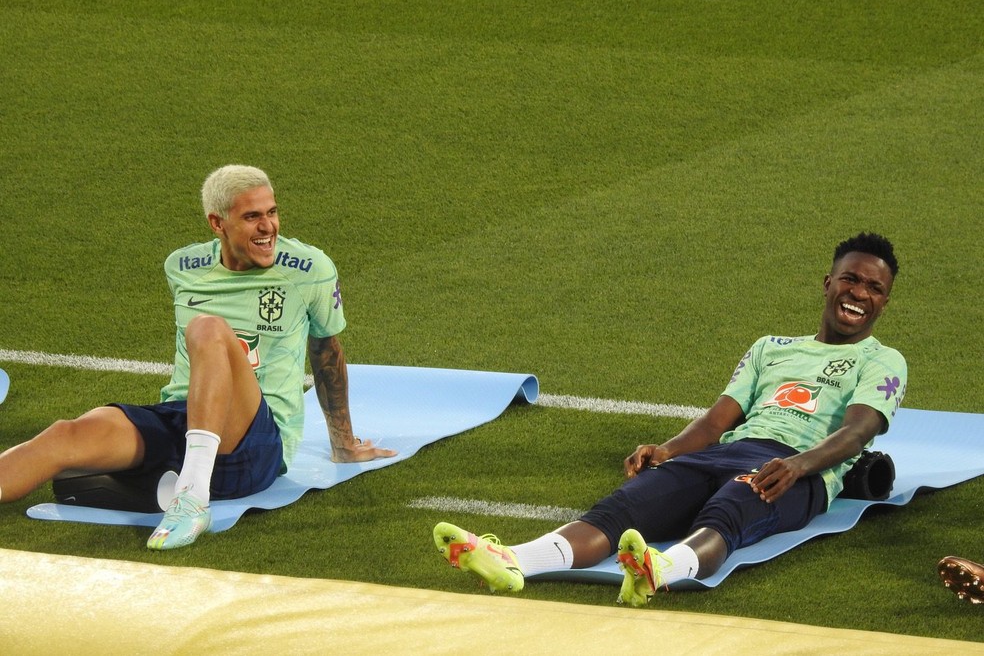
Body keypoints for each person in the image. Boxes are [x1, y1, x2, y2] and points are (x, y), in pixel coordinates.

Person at [434, 232, 907, 606]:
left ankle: (658, 572)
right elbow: (715, 421)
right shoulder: (771, 348)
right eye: (850, 279)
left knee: (731, 511)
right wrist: (669, 450)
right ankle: (511, 560)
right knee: (621, 509)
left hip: (795, 467)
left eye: (874, 288)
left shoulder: (884, 361)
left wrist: (800, 465)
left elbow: (858, 430)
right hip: (728, 451)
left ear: (884, 302)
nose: (858, 293)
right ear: (828, 282)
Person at [0, 164, 395, 550]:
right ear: (217, 223)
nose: (268, 227)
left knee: (207, 328)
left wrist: (343, 442)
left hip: (255, 443)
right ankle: (180, 479)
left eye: (272, 212)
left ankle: (190, 499)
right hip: (181, 418)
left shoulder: (309, 269)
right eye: (252, 216)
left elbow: (326, 350)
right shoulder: (183, 267)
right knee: (64, 435)